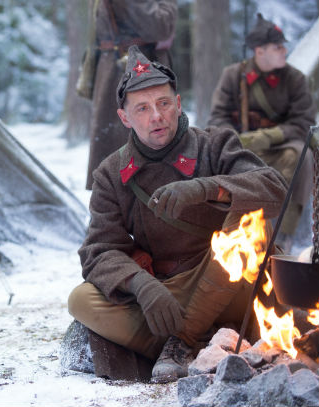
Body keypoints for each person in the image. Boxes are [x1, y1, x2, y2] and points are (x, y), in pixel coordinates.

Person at [68, 46, 288, 383]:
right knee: (81, 300)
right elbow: (98, 251)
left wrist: (208, 188)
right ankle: (212, 336)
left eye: (164, 103)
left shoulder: (214, 144)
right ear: (125, 118)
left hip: (233, 283)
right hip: (168, 294)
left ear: (179, 104)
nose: (157, 116)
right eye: (143, 108)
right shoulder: (112, 173)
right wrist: (141, 284)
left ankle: (182, 341)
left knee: (251, 221)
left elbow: (275, 189)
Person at [208, 13, 317, 253]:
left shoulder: (295, 79)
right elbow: (217, 118)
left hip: (281, 148)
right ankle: (229, 231)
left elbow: (303, 122)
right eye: (277, 47)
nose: (284, 51)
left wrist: (267, 137)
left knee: (301, 157)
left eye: (283, 46)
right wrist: (238, 139)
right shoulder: (233, 76)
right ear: (260, 51)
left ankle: (283, 236)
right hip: (241, 148)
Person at [84, 0, 178, 190]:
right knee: (122, 177)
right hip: (125, 72)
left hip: (137, 71)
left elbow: (159, 27)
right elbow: (160, 26)